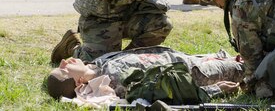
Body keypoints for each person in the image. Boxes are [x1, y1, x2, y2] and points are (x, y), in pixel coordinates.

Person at [47, 46, 244, 101]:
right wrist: (213, 90)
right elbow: (167, 93)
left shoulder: (98, 64)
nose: (65, 61)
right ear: (79, 82)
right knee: (250, 65)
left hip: (189, 58)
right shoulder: (117, 84)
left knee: (240, 56)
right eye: (64, 69)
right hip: (197, 73)